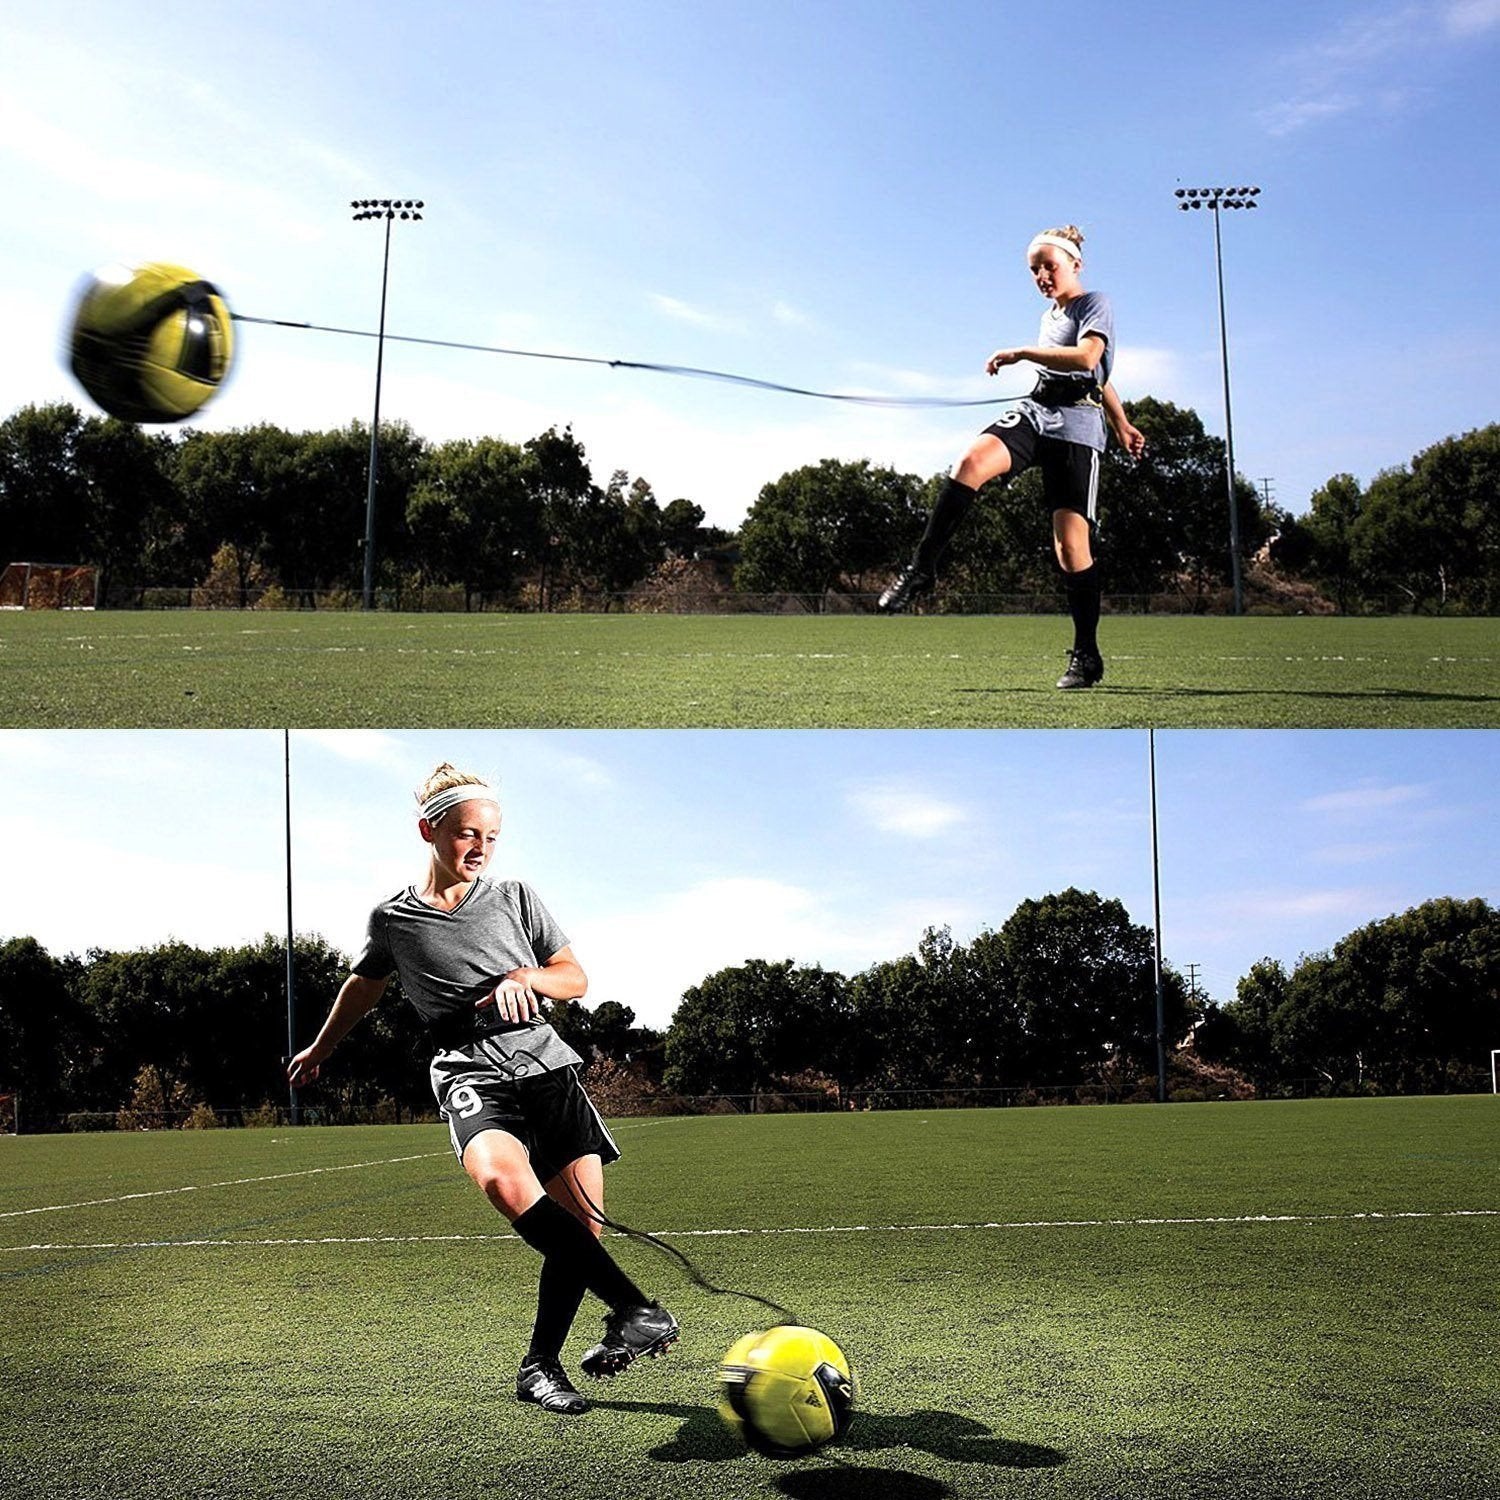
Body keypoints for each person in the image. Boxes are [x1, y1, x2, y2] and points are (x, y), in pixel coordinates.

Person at [286, 763, 677, 1417]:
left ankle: (540, 1368)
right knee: (503, 1181)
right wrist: (320, 1048)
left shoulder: (517, 897)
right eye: (467, 834)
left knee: (581, 1232)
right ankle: (635, 1309)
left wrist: (530, 977)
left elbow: (574, 977)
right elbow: (364, 986)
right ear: (428, 830)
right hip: (469, 1070)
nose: (480, 848)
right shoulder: (394, 920)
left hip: (548, 1067)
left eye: (491, 837)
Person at [879, 224, 1146, 690]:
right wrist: (1123, 422)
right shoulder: (1050, 318)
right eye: (1034, 269)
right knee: (970, 463)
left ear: (1075, 265)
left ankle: (1087, 655)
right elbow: (1091, 370)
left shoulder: (1094, 303)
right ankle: (921, 568)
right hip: (1037, 411)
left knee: (1070, 548)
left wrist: (1115, 422)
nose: (1042, 275)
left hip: (1078, 428)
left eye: (1050, 266)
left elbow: (1089, 363)